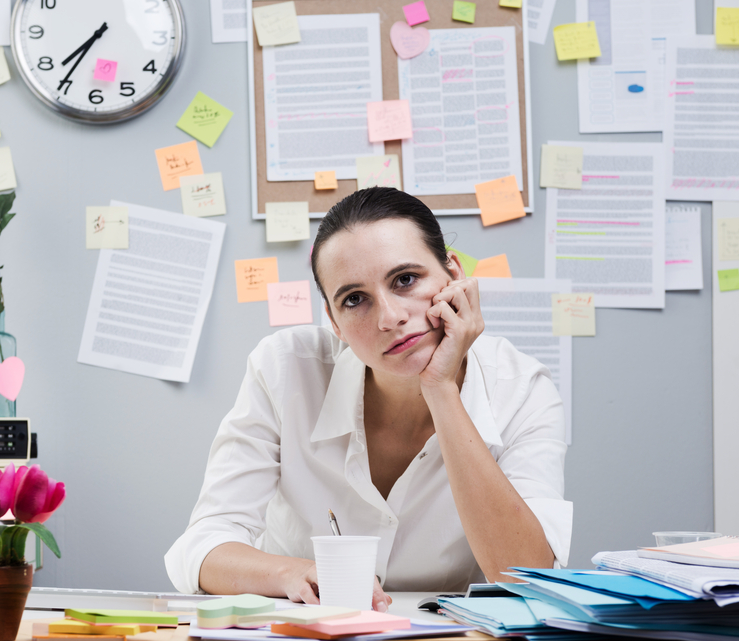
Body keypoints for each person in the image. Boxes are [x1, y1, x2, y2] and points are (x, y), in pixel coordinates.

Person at [165, 188, 572, 611]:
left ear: (452, 273)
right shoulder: (285, 369)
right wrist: (290, 573)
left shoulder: (522, 389)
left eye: (406, 280)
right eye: (355, 299)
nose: (389, 317)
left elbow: (529, 578)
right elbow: (202, 547)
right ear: (334, 322)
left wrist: (441, 390)